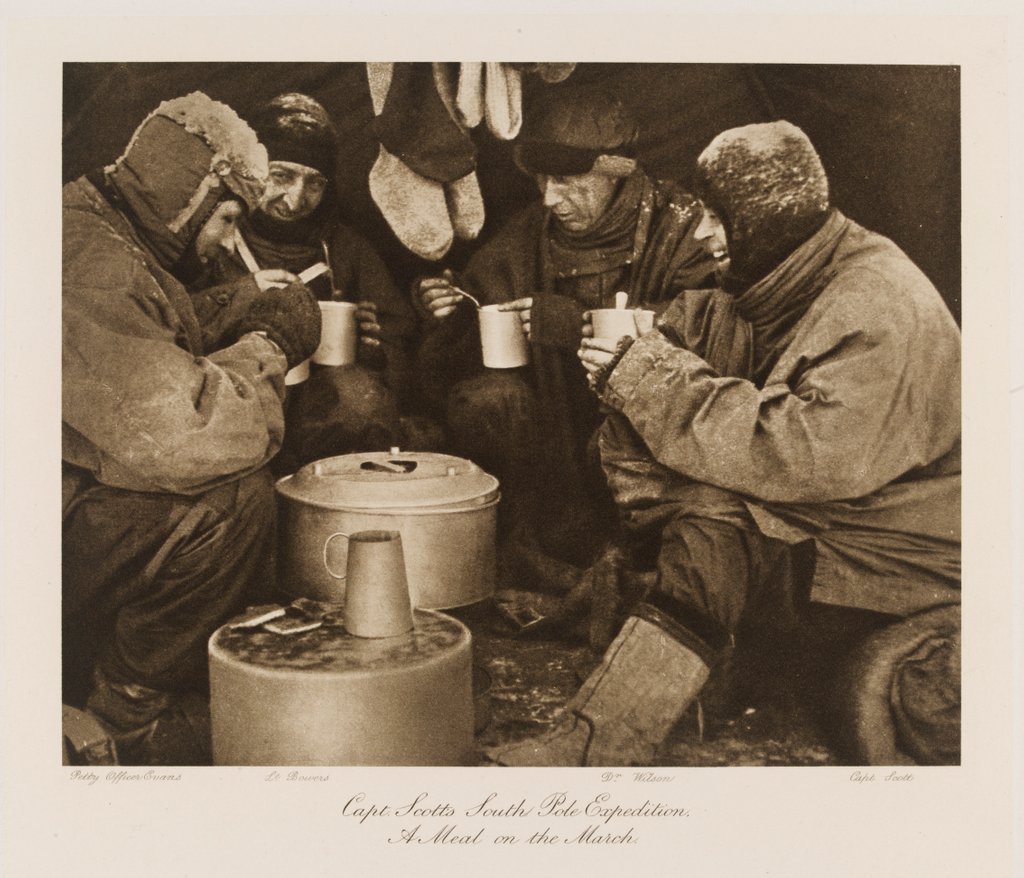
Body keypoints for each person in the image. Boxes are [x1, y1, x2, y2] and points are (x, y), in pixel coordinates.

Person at [493, 120, 961, 766]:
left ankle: (592, 748)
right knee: (704, 522)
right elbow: (717, 324)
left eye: (716, 217)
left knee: (716, 528)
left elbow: (803, 454)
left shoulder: (880, 303)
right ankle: (643, 707)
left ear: (763, 220)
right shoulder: (790, 273)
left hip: (898, 552)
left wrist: (651, 379)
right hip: (838, 521)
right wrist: (647, 346)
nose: (704, 233)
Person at [62, 92, 322, 764]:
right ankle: (122, 711)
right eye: (225, 217)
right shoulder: (93, 264)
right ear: (188, 196)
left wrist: (232, 304)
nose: (223, 239)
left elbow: (143, 335)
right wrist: (267, 343)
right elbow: (185, 435)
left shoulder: (95, 221)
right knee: (234, 503)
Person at [416, 85, 714, 582]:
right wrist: (447, 310)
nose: (551, 198)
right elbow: (463, 333)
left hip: (642, 420)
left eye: (568, 180)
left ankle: (643, 559)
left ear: (614, 173)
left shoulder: (682, 225)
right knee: (487, 400)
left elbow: (710, 327)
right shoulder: (529, 232)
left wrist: (579, 325)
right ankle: (528, 545)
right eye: (542, 180)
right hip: (547, 439)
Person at [191, 93, 423, 474]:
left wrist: (374, 349)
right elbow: (169, 327)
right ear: (251, 170)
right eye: (280, 176)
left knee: (359, 398)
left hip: (323, 417)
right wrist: (240, 297)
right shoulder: (215, 235)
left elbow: (403, 352)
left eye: (314, 183)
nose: (296, 199)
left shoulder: (345, 248)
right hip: (234, 401)